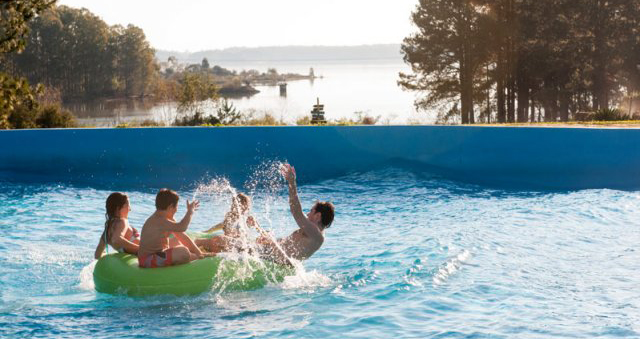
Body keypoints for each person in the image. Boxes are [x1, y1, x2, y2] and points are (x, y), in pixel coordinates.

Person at [257, 163, 335, 264]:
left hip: (271, 257)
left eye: (311, 211)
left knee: (233, 242)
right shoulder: (312, 233)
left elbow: (296, 212)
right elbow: (285, 245)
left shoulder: (316, 235)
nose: (307, 214)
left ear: (318, 216)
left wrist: (291, 182)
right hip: (270, 255)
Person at [137, 189, 212, 268]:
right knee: (183, 252)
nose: (176, 210)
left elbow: (182, 236)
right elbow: (182, 227)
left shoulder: (165, 220)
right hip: (147, 261)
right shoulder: (158, 221)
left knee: (190, 254)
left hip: (158, 256)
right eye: (176, 207)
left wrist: (199, 253)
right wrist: (190, 211)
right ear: (170, 207)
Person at [94, 192, 140, 259]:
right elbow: (116, 239)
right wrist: (140, 248)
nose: (130, 209)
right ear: (118, 208)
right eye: (128, 206)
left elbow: (97, 255)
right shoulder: (122, 221)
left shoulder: (108, 229)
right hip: (147, 251)